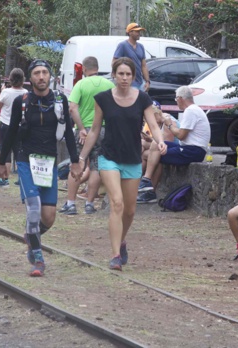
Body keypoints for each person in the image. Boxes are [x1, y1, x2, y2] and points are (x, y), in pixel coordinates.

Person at [0, 60, 82, 277]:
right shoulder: (21, 101)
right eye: (37, 73)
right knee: (33, 208)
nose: (41, 77)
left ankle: (31, 234)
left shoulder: (60, 100)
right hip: (26, 159)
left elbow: (69, 134)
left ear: (50, 76)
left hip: (49, 161)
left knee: (49, 216)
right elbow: (11, 132)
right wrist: (2, 161)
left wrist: (75, 160)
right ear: (30, 78)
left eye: (44, 72)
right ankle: (38, 258)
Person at [79, 57, 166, 271]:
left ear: (133, 76)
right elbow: (95, 130)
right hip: (108, 156)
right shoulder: (103, 99)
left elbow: (153, 125)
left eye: (128, 74)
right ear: (114, 75)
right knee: (116, 203)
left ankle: (122, 240)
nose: (124, 78)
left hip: (132, 158)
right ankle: (115, 254)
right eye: (121, 74)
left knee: (129, 210)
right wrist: (82, 158)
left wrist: (160, 141)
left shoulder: (142, 98)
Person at [58, 56, 115, 215]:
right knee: (97, 166)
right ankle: (89, 204)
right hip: (104, 130)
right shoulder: (109, 84)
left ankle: (71, 204)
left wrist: (81, 128)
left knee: (77, 164)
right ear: (97, 67)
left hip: (85, 130)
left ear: (84, 69)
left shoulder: (81, 84)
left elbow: (73, 108)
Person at [136, 85, 210, 203]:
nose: (176, 102)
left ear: (180, 98)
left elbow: (181, 135)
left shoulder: (191, 111)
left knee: (158, 155)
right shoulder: (193, 110)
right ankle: (146, 181)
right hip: (188, 147)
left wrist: (169, 124)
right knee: (157, 144)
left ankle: (149, 189)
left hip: (193, 151)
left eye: (176, 99)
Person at [0, 68, 27, 187]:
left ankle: (4, 179)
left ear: (10, 80)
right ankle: (21, 178)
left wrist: (2, 91)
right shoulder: (26, 93)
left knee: (5, 150)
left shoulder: (6, 92)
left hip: (6, 123)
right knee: (20, 152)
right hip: (20, 126)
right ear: (23, 80)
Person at [112, 23, 150, 91]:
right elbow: (114, 62)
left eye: (139, 31)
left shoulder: (141, 46)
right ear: (130, 32)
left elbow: (144, 66)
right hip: (129, 84)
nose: (139, 33)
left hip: (141, 83)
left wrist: (147, 81)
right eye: (137, 31)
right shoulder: (122, 45)